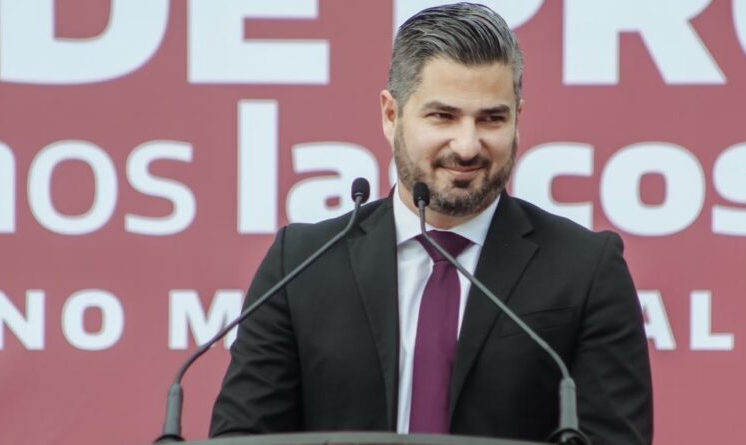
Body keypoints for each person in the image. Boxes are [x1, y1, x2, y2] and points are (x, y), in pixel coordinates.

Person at [210, 3, 653, 444]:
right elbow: (243, 437)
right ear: (391, 115)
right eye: (443, 116)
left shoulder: (586, 270)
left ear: (518, 118)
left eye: (492, 119)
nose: (467, 146)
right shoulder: (300, 265)